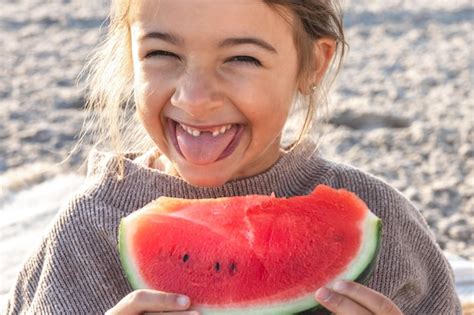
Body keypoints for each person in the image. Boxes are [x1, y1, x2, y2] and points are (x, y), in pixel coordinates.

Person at [5, 1, 461, 314]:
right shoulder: (87, 235)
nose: (196, 98)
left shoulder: (383, 224)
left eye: (241, 58)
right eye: (161, 53)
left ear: (313, 65)